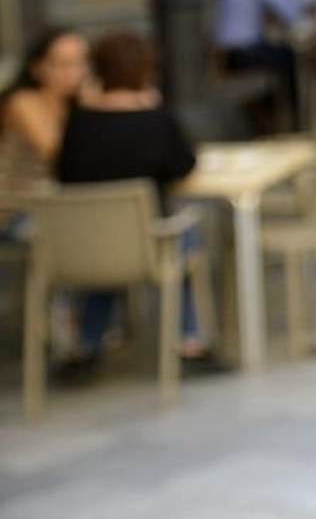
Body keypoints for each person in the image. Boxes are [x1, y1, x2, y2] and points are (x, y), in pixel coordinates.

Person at [54, 31, 221, 377]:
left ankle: (87, 344)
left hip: (85, 249)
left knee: (108, 243)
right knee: (182, 236)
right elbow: (183, 165)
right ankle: (189, 340)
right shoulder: (156, 119)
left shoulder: (79, 122)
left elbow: (63, 173)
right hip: (146, 245)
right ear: (146, 71)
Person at [0, 28, 89, 241]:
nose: (73, 72)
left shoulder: (73, 105)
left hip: (55, 206)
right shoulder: (23, 102)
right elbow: (59, 155)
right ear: (37, 68)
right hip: (16, 212)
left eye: (80, 63)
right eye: (63, 64)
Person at [215, 0, 307, 120]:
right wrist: (312, 13)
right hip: (241, 51)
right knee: (293, 60)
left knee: (286, 55)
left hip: (239, 47)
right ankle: (294, 119)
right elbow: (289, 11)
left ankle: (281, 116)